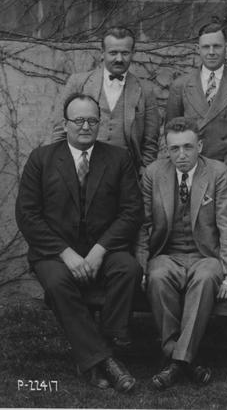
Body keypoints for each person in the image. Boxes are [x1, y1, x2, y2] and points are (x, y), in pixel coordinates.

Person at [16, 93, 143, 392]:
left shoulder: (118, 158)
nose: (86, 126)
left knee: (128, 269)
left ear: (100, 123)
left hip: (103, 248)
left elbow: (131, 211)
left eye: (92, 120)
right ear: (65, 124)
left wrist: (100, 250)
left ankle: (100, 349)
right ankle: (107, 361)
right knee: (59, 283)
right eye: (79, 120)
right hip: (53, 252)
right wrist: (65, 253)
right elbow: (27, 215)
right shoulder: (42, 159)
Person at [135, 117, 227, 390]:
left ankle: (174, 362)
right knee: (157, 277)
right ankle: (184, 359)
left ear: (200, 146)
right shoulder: (153, 174)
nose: (181, 155)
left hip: (207, 256)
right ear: (166, 149)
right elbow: (144, 226)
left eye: (188, 147)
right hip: (167, 253)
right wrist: (143, 267)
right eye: (174, 148)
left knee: (205, 279)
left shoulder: (218, 173)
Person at [52, 26, 160, 173]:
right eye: (113, 53)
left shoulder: (145, 91)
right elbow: (60, 130)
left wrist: (143, 171)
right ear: (102, 53)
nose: (119, 59)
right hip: (83, 168)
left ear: (133, 54)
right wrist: (61, 166)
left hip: (126, 172)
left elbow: (150, 142)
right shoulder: (78, 82)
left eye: (125, 53)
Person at [166, 22, 227, 192]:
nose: (211, 52)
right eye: (206, 46)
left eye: (217, 46)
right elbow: (170, 130)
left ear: (226, 47)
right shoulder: (181, 85)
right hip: (194, 168)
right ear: (197, 48)